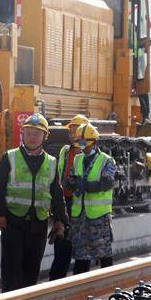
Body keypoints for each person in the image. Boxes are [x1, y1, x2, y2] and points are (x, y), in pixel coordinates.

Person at [0, 113, 66, 291]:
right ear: (23, 134)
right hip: (13, 221)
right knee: (11, 268)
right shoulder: (10, 157)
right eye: (29, 133)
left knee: (32, 269)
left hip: (39, 223)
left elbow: (57, 193)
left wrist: (60, 220)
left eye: (37, 134)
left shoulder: (51, 162)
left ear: (44, 137)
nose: (32, 137)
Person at [64, 124, 117, 274]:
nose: (82, 148)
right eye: (80, 144)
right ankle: (81, 284)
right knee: (81, 256)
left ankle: (108, 283)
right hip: (80, 216)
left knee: (104, 254)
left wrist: (86, 185)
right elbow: (70, 180)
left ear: (94, 142)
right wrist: (72, 184)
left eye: (84, 144)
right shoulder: (77, 159)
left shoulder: (106, 160)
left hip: (99, 217)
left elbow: (107, 183)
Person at [49, 114, 89, 280]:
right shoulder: (65, 151)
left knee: (82, 251)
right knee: (61, 247)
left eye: (75, 130)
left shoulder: (91, 153)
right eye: (70, 131)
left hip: (83, 207)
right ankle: (56, 283)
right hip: (65, 204)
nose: (72, 134)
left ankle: (79, 285)